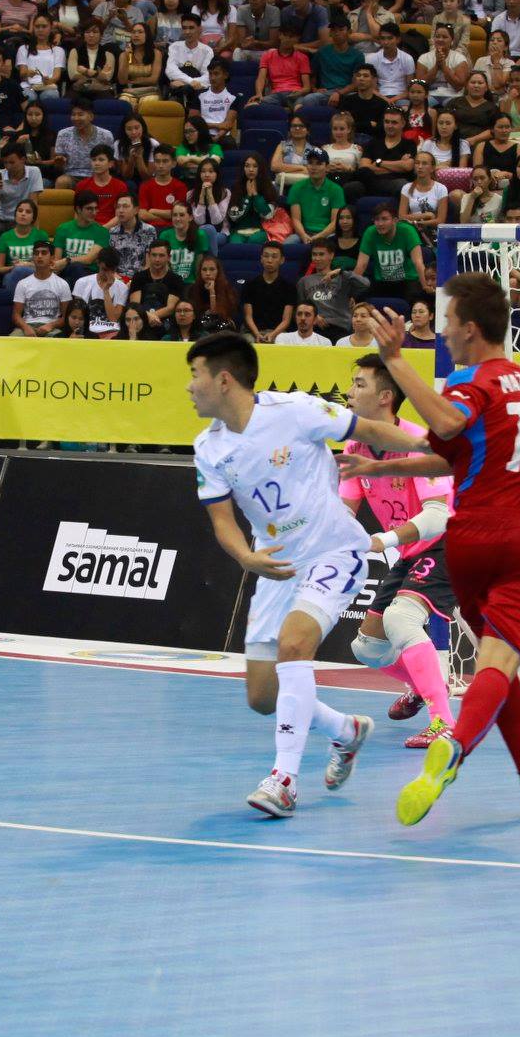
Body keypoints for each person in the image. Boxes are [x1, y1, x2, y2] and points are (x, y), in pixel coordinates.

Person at [353, 275, 520, 824]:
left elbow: (449, 435)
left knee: (497, 663)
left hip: (470, 543)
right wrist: (395, 361)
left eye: (448, 323)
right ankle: (454, 746)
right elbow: (453, 432)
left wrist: (397, 364)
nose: (444, 333)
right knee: (498, 661)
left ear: (471, 328)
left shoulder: (471, 381)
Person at [187, 332, 426, 817]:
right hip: (277, 566)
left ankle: (284, 780)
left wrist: (439, 446)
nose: (190, 387)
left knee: (295, 646)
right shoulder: (208, 448)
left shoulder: (295, 410)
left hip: (334, 550)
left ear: (224, 380)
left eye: (196, 375)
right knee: (262, 696)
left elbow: (374, 430)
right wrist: (246, 558)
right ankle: (345, 730)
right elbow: (222, 521)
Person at [340, 354, 458, 749]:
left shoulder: (417, 444)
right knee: (368, 648)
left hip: (448, 542)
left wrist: (383, 541)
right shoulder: (356, 446)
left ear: (385, 397)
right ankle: (427, 687)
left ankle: (444, 722)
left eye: (359, 384)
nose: (349, 392)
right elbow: (344, 512)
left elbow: (439, 516)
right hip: (410, 551)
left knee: (401, 618)